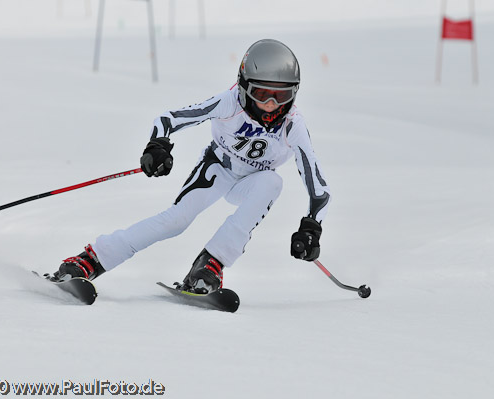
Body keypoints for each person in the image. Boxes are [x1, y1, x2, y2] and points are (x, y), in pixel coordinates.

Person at [50, 39, 331, 294]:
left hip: (253, 182)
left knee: (272, 182)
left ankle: (210, 266)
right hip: (217, 169)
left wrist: (311, 227)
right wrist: (157, 145)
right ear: (245, 86)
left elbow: (317, 186)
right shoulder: (229, 102)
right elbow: (169, 118)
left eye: (280, 96)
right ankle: (90, 259)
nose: (270, 105)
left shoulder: (293, 124)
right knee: (176, 221)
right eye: (261, 94)